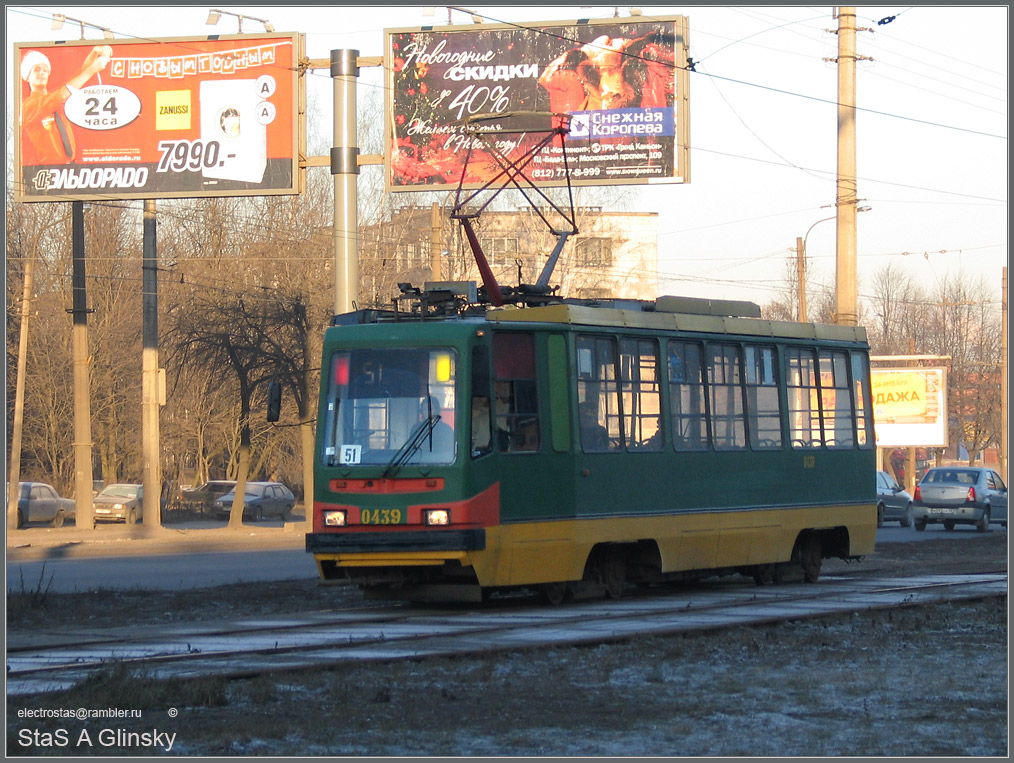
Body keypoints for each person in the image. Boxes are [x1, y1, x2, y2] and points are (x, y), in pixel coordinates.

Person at [20, 45, 112, 166]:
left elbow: (76, 77)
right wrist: (92, 70)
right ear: (28, 76)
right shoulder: (29, 106)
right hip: (50, 170)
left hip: (70, 167)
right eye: (36, 69)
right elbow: (63, 94)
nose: (42, 73)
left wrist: (94, 52)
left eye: (45, 70)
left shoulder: (52, 97)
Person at [416, 395, 455, 462]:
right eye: (425, 409)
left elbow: (449, 451)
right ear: (421, 411)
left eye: (431, 409)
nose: (428, 412)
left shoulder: (446, 430)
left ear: (437, 410)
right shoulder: (416, 429)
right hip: (420, 462)